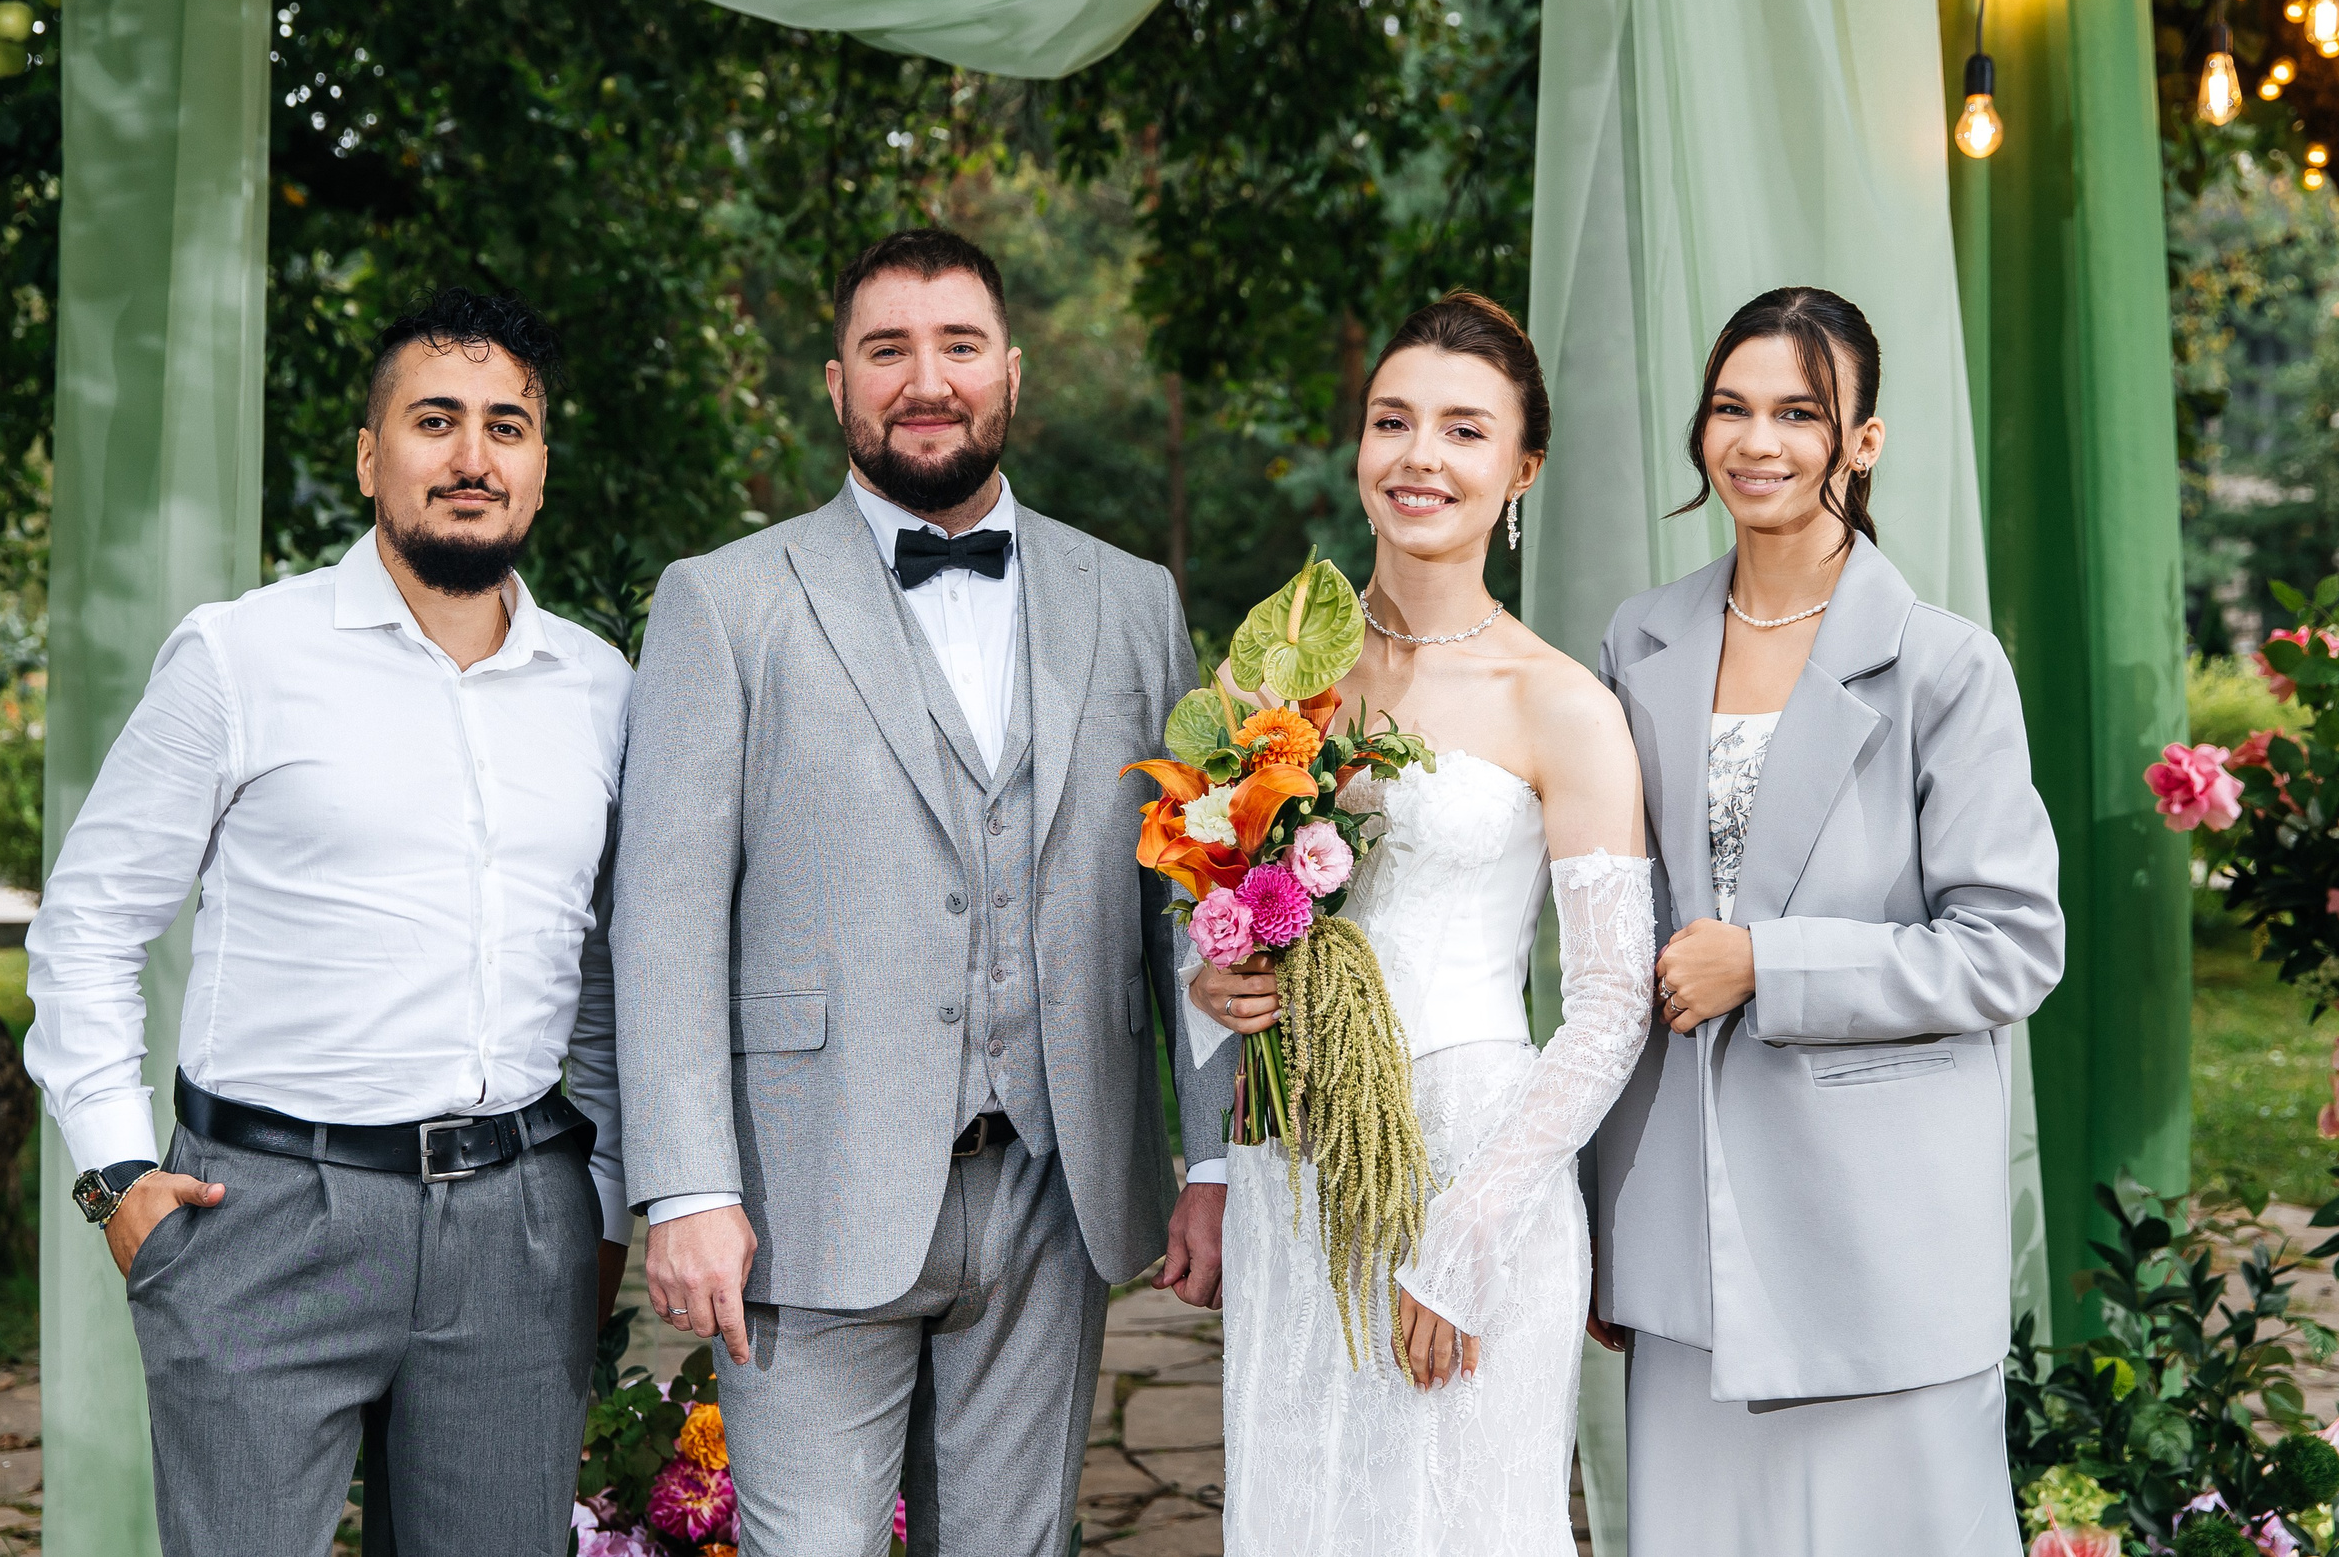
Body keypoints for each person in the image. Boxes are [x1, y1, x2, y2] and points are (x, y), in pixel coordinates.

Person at [616, 227, 1234, 1557]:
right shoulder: (726, 604)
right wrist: (686, 1187)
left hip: (1054, 1189)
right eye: (886, 348)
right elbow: (660, 919)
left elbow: (1195, 901)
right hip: (804, 1187)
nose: (925, 377)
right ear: (836, 384)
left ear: (1010, 372)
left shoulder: (1131, 599)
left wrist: (1216, 1153)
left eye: (957, 344)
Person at [22, 288, 633, 1557]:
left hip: (522, 1230)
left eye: (505, 426)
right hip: (265, 1219)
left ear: (539, 465)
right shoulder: (241, 656)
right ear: (370, 455)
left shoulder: (601, 687)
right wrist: (117, 1174)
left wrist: (610, 1199)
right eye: (435, 419)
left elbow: (608, 976)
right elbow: (87, 922)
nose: (472, 457)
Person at [1592, 286, 2064, 1554]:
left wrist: (1767, 964)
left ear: (1862, 439)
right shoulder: (1637, 638)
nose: (1758, 440)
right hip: (1686, 1226)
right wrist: (1597, 1208)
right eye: (1731, 407)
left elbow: (2009, 942)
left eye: (1799, 411)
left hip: (1878, 1239)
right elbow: (1607, 941)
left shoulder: (1944, 663)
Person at [1187, 291, 1654, 1555]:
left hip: (1470, 1165)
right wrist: (1214, 978)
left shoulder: (1560, 702)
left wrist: (1465, 1232)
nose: (1420, 457)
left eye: (1462, 429)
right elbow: (1216, 897)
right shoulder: (1273, 674)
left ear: (1522, 467)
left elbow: (1612, 1001)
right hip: (1298, 1174)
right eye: (1393, 421)